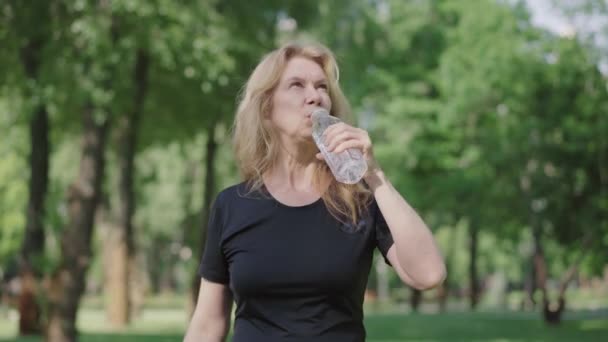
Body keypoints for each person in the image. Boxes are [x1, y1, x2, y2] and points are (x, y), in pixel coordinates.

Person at [183, 41, 446, 342]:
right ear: (266, 107)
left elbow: (429, 275)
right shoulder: (231, 205)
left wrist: (375, 175)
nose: (315, 97)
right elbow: (207, 325)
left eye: (322, 87)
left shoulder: (360, 201)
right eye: (297, 85)